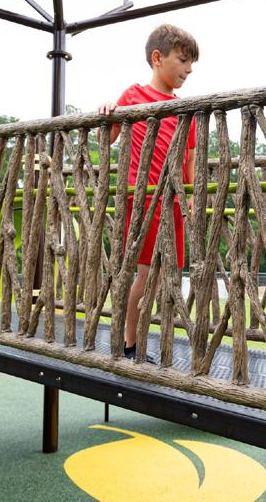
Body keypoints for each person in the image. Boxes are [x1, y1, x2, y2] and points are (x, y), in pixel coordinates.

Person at [97, 24, 199, 360]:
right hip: (142, 200)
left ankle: (139, 341)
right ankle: (130, 344)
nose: (189, 69)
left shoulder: (184, 109)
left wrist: (190, 197)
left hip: (171, 201)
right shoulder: (134, 96)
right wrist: (108, 110)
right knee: (145, 272)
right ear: (158, 58)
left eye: (191, 63)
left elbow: (189, 157)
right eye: (183, 60)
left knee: (162, 276)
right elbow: (109, 136)